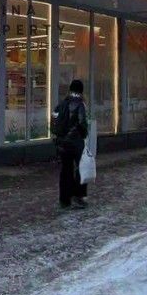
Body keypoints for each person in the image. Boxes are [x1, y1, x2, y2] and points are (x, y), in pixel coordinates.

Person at [51, 79, 89, 210]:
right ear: (81, 90)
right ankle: (78, 196)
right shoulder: (80, 104)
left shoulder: (62, 104)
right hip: (76, 142)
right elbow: (82, 123)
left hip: (63, 143)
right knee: (81, 169)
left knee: (65, 170)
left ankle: (64, 200)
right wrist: (83, 134)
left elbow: (53, 122)